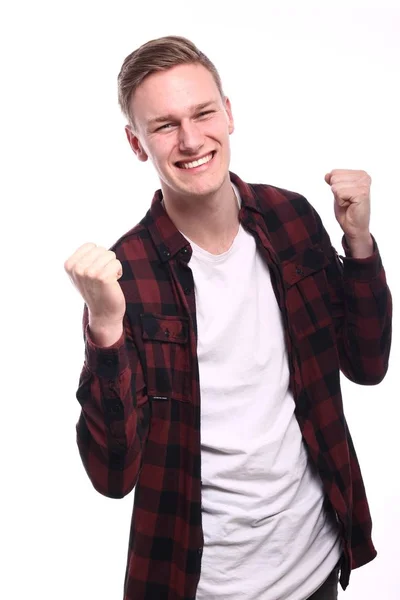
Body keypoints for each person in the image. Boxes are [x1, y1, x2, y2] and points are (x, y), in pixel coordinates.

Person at [64, 35, 392, 600]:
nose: (191, 139)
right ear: (136, 144)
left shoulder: (290, 217)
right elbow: (112, 475)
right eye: (164, 125)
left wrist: (358, 242)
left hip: (315, 565)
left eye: (203, 113)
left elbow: (367, 364)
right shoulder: (127, 276)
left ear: (230, 113)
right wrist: (105, 328)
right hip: (201, 586)